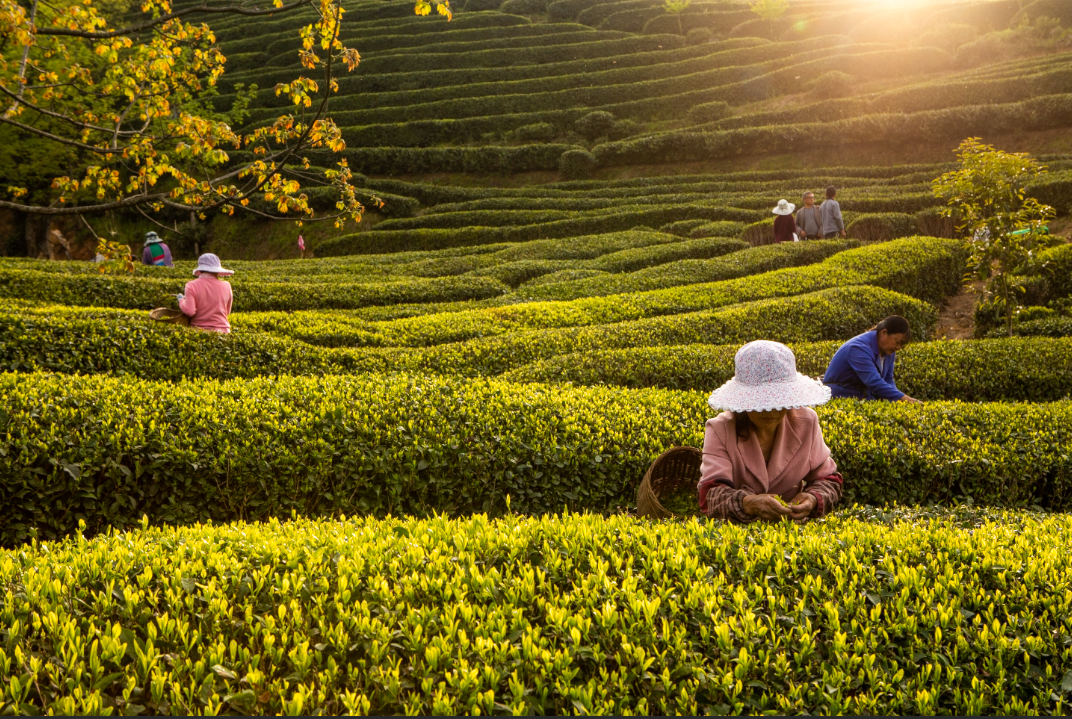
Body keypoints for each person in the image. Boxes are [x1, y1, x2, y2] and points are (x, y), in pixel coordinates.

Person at [697, 340, 844, 523]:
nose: (772, 411)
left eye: (780, 401)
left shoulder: (807, 423)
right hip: (735, 533)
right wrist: (748, 504)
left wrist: (813, 498)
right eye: (761, 403)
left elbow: (829, 480)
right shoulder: (720, 430)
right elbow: (710, 495)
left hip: (792, 530)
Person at [822, 315, 922, 403]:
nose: (898, 347)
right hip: (841, 397)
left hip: (864, 398)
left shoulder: (888, 351)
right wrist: (908, 400)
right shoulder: (857, 348)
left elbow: (888, 380)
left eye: (902, 345)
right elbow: (874, 382)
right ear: (884, 333)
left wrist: (899, 401)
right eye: (897, 342)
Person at [178, 253, 234, 333]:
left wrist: (181, 300)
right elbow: (227, 312)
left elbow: (190, 311)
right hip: (223, 331)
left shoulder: (191, 285)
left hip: (199, 332)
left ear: (200, 270)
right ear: (217, 270)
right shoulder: (227, 286)